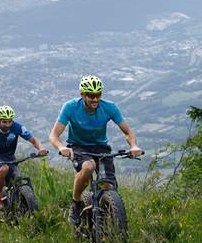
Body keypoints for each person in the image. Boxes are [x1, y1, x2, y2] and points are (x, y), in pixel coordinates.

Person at [48, 75, 143, 227]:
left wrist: (134, 145)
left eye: (98, 95)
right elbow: (53, 136)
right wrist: (62, 147)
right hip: (78, 146)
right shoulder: (70, 107)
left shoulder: (109, 107)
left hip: (101, 148)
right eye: (91, 95)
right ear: (82, 94)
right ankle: (76, 203)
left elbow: (127, 132)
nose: (95, 99)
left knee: (108, 186)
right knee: (88, 167)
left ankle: (106, 216)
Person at [0, 104, 48, 211]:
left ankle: (20, 204)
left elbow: (33, 140)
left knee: (17, 178)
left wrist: (41, 148)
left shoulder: (17, 127)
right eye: (4, 121)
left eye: (10, 121)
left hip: (9, 157)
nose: (8, 124)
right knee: (4, 169)